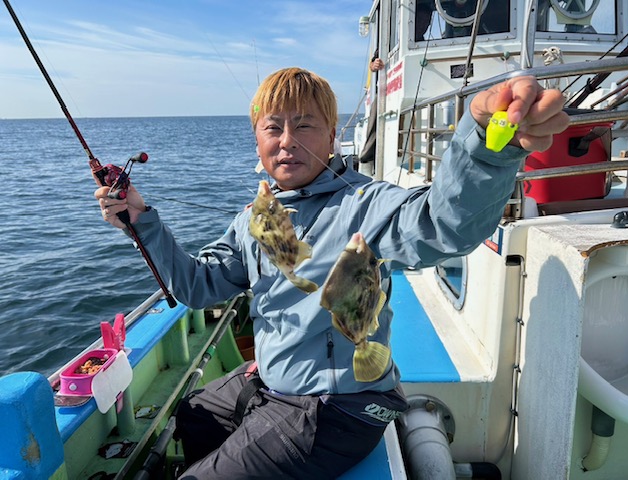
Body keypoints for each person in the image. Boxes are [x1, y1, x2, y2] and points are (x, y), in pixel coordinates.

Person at [95, 67, 569, 479]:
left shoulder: (364, 205)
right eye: (272, 127)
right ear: (257, 139)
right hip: (275, 383)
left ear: (331, 133)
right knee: (194, 413)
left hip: (337, 409)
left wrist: (484, 144)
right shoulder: (257, 216)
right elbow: (198, 286)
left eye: (305, 126)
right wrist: (141, 221)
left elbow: (441, 225)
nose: (287, 141)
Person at [359, 51, 384, 166]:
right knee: (375, 113)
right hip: (384, 90)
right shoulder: (379, 50)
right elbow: (372, 64)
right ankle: (367, 155)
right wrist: (374, 65)